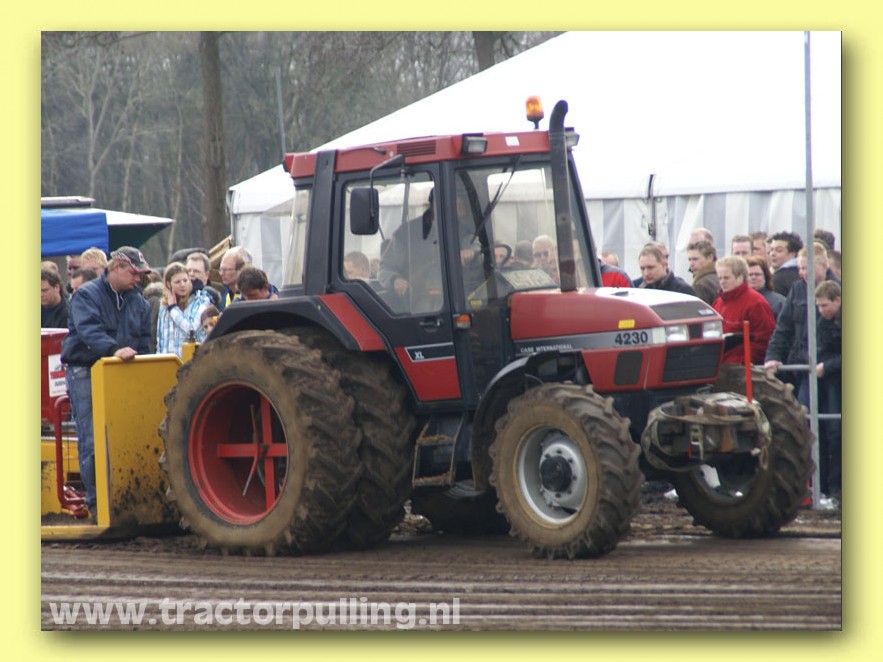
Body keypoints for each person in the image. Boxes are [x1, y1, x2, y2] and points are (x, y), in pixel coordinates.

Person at [60, 246, 152, 521]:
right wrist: (114, 350)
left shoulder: (140, 303)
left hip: (122, 371)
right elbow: (88, 330)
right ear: (117, 268)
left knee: (127, 432)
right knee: (91, 438)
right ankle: (98, 504)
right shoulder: (86, 295)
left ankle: (126, 499)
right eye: (135, 273)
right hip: (86, 370)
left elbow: (144, 342)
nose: (139, 279)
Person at [764, 243, 832, 403]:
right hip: (804, 366)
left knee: (834, 416)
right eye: (800, 269)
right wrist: (772, 356)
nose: (802, 273)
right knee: (804, 410)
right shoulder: (797, 289)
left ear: (824, 265)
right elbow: (783, 328)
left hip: (831, 368)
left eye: (806, 268)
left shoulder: (839, 289)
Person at [378, 188, 445, 313]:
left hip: (465, 300)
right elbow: (385, 268)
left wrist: (471, 252)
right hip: (420, 303)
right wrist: (395, 280)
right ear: (433, 204)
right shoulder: (407, 234)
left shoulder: (465, 230)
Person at [712, 256, 776, 364]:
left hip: (740, 367)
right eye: (720, 278)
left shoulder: (756, 303)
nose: (722, 282)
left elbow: (764, 339)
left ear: (740, 277)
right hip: (718, 365)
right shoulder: (717, 303)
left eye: (726, 278)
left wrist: (743, 362)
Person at [814, 280, 841, 505]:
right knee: (830, 432)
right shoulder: (823, 323)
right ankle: (829, 488)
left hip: (833, 376)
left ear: (838, 300)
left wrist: (827, 366)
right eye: (818, 306)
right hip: (831, 382)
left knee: (836, 432)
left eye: (825, 305)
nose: (821, 310)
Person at [156, 261, 212, 357]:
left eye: (185, 280)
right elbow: (160, 340)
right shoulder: (163, 306)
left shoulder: (200, 300)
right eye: (177, 282)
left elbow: (191, 330)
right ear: (168, 284)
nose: (182, 285)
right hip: (168, 362)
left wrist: (173, 309)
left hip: (192, 361)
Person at [217, 246, 253, 311]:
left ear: (241, 270)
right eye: (220, 270)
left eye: (226, 270)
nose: (221, 274)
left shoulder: (253, 295)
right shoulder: (224, 296)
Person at [768, 231, 803, 296]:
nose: (772, 254)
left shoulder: (778, 278)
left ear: (792, 254)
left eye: (779, 250)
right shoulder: (807, 272)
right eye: (771, 250)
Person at [687, 240, 720, 305]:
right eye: (689, 259)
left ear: (710, 258)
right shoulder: (722, 277)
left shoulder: (700, 285)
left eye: (695, 259)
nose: (691, 264)